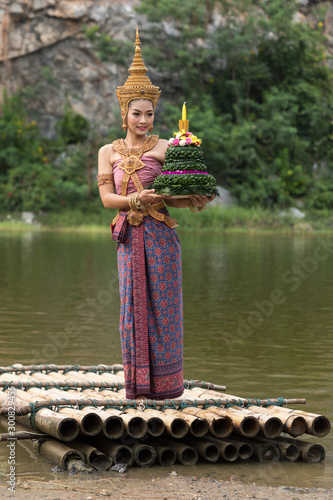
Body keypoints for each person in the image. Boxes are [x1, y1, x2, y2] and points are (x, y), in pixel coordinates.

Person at [97, 28, 212, 400]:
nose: (144, 120)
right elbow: (106, 199)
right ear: (124, 113)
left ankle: (165, 389)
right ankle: (137, 386)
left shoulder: (165, 147)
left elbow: (173, 196)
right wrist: (135, 201)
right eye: (137, 114)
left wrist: (193, 199)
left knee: (163, 310)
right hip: (129, 238)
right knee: (132, 309)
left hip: (160, 237)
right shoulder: (107, 152)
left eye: (149, 114)